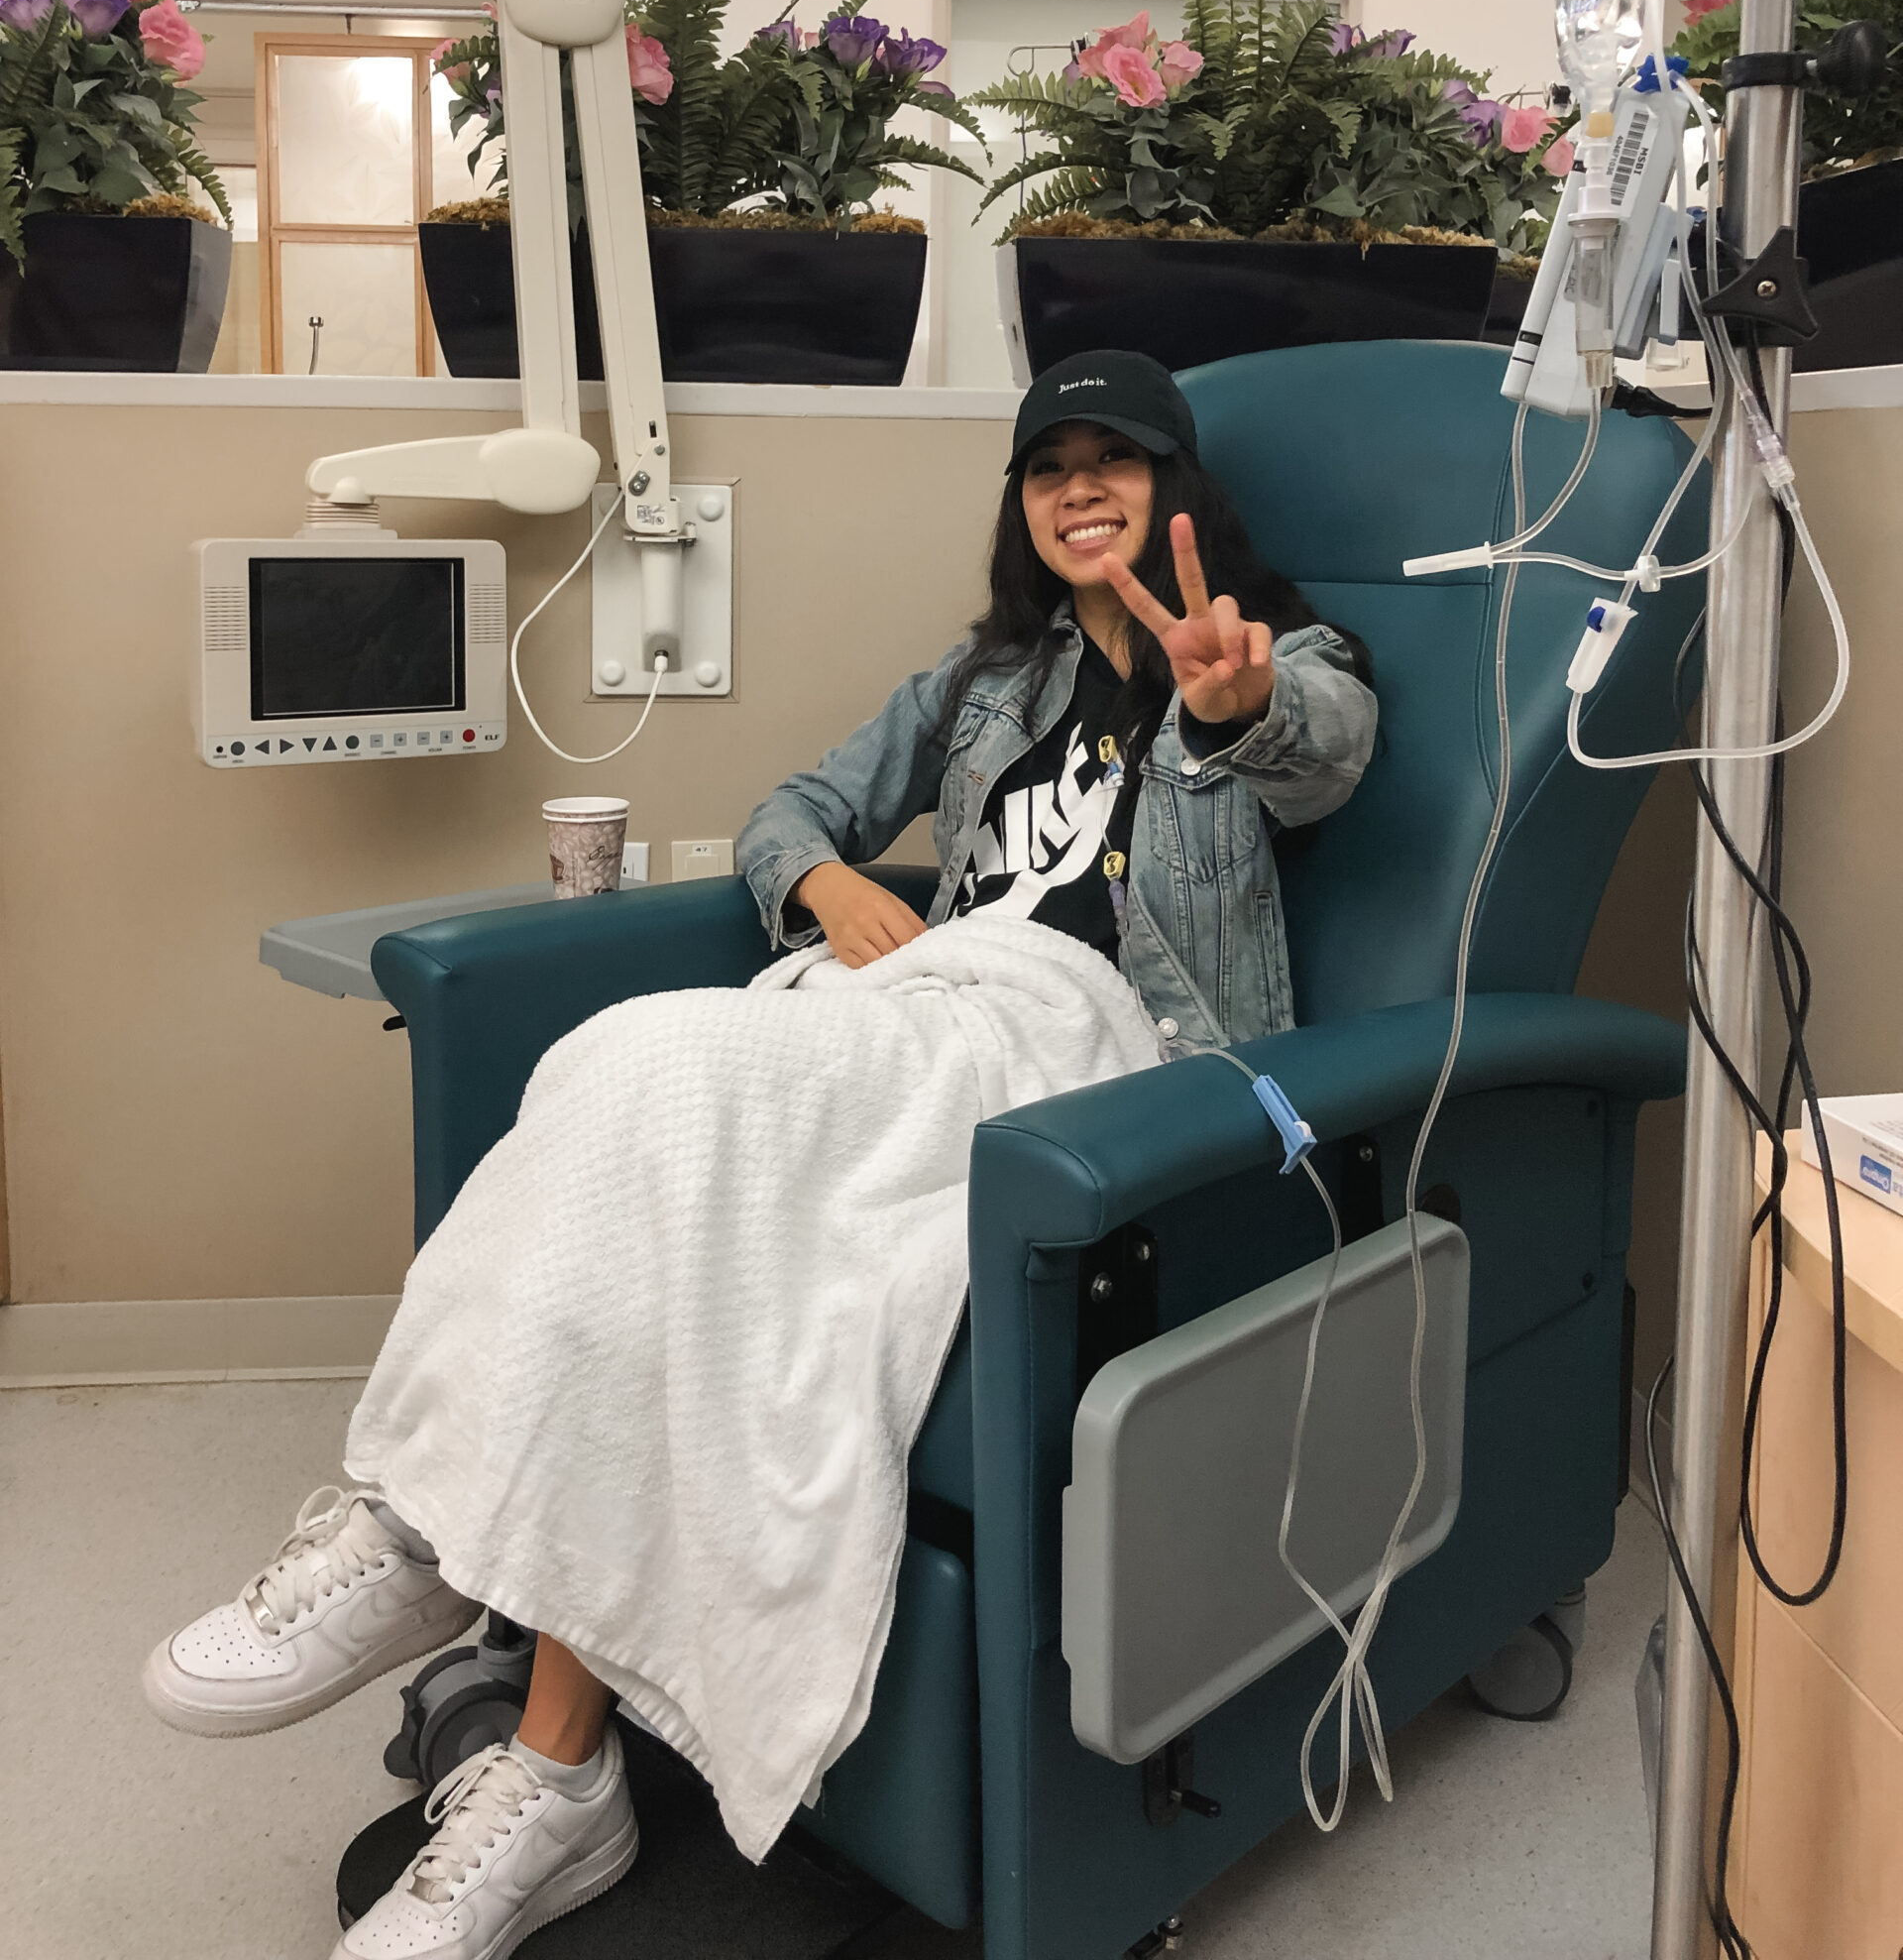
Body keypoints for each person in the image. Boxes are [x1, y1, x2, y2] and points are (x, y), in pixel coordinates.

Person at [143, 351, 1376, 1960]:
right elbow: (791, 807)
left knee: (648, 1059)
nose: (1082, 488)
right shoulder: (981, 684)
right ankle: (546, 1748)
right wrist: (825, 891)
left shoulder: (1268, 653)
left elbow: (1323, 743)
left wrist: (1236, 696)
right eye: (1048, 463)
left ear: (1180, 491)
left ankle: (430, 1530)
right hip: (924, 1005)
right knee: (643, 1135)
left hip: (1099, 1047)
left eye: (1120, 461)